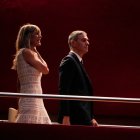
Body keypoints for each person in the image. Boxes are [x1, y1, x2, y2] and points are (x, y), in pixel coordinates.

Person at [11, 23, 52, 124]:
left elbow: (18, 83)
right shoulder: (27, 52)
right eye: (37, 34)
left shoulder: (23, 53)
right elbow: (45, 69)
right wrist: (35, 50)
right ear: (28, 36)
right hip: (31, 98)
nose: (40, 36)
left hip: (32, 96)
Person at [58, 30, 98, 126]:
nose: (87, 43)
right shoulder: (69, 61)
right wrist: (66, 116)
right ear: (73, 43)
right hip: (74, 118)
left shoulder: (77, 61)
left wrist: (90, 117)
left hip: (82, 116)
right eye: (84, 40)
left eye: (87, 40)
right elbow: (64, 90)